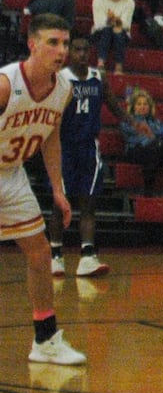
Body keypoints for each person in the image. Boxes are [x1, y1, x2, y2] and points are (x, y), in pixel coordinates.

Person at [1, 14, 88, 365]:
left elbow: (50, 134)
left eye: (65, 43)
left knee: (39, 253)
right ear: (32, 44)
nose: (62, 50)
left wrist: (57, 188)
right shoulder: (7, 84)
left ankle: (45, 339)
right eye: (53, 42)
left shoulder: (64, 89)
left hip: (11, 173)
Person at [47, 36, 126, 276]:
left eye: (85, 50)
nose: (82, 54)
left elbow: (113, 105)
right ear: (70, 52)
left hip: (89, 148)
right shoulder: (60, 78)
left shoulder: (98, 77)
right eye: (77, 50)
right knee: (60, 204)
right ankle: (55, 256)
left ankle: (87, 256)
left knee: (88, 204)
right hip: (63, 147)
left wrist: (134, 122)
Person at [120, 87, 163, 197]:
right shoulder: (128, 121)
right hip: (135, 150)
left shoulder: (156, 121)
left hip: (155, 149)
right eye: (139, 104)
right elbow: (132, 136)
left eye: (145, 104)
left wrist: (149, 132)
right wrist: (152, 137)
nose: (142, 107)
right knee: (153, 149)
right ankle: (148, 190)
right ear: (133, 107)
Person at [89, 0, 134, 74]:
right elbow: (99, 23)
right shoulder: (98, 0)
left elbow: (126, 24)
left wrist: (112, 19)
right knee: (107, 30)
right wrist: (115, 20)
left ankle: (118, 67)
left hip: (121, 33)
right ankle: (100, 64)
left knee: (118, 32)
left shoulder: (129, 2)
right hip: (100, 32)